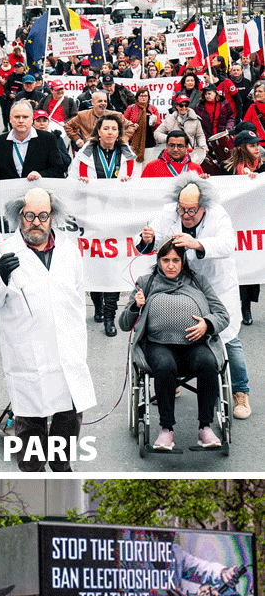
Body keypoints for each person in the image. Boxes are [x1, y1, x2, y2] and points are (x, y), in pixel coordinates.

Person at [0, 188, 96, 472]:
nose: (36, 222)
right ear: (20, 216)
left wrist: (78, 342)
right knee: (30, 425)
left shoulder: (69, 249)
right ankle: (33, 475)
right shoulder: (2, 252)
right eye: (29, 215)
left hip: (67, 353)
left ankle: (61, 465)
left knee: (68, 417)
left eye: (43, 215)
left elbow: (78, 298)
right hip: (28, 357)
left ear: (53, 217)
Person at [138, 174, 252, 420]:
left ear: (204, 206)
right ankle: (172, 378)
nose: (185, 215)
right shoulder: (170, 211)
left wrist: (197, 243)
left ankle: (240, 392)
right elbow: (153, 243)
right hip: (181, 286)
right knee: (175, 330)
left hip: (215, 283)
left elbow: (228, 244)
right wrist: (145, 239)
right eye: (182, 209)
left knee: (227, 337)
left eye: (191, 210)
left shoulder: (218, 214)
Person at [120, 239, 230, 450]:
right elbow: (124, 324)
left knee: (208, 362)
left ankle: (205, 427)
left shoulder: (198, 281)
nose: (170, 265)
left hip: (194, 345)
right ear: (158, 260)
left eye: (175, 260)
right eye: (165, 260)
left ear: (183, 262)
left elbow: (222, 315)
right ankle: (166, 429)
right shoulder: (146, 283)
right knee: (163, 366)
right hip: (158, 345)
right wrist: (135, 305)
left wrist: (207, 324)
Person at [75, 114, 136, 336]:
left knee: (112, 266)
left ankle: (109, 317)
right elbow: (72, 182)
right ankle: (98, 305)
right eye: (106, 128)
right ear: (98, 131)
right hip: (91, 219)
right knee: (93, 263)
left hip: (118, 219)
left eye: (114, 128)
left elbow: (138, 189)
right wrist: (80, 185)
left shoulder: (129, 156)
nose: (110, 132)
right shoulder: (83, 156)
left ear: (118, 133)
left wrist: (130, 185)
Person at [222, 130, 263, 327]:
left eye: (257, 144)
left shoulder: (263, 168)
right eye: (252, 145)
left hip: (255, 225)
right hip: (234, 224)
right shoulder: (226, 169)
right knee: (234, 265)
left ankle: (246, 305)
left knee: (252, 264)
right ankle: (232, 305)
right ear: (241, 148)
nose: (257, 148)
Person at [0, 100, 67, 181]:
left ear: (31, 119)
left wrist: (40, 175)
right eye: (17, 117)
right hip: (9, 192)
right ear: (10, 119)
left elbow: (58, 170)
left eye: (25, 117)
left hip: (38, 191)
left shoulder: (48, 139)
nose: (21, 121)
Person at [64, 90, 135, 151]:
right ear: (92, 102)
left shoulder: (116, 115)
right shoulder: (82, 115)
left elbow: (131, 126)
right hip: (90, 150)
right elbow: (67, 126)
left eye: (105, 101)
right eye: (100, 101)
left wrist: (124, 138)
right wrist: (77, 139)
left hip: (112, 149)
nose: (103, 103)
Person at [155, 94, 207, 160]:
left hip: (191, 154)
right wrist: (169, 139)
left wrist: (203, 146)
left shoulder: (195, 119)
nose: (184, 108)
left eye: (186, 105)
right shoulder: (169, 119)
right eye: (181, 105)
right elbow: (157, 133)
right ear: (176, 106)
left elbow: (200, 135)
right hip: (174, 154)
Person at [141, 130, 206, 177]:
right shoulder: (151, 167)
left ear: (186, 147)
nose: (175, 149)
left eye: (180, 146)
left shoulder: (196, 168)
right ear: (166, 145)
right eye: (171, 145)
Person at [124, 87, 162, 164]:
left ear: (148, 97)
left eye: (145, 96)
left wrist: (154, 122)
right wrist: (132, 126)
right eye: (141, 96)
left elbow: (159, 123)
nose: (143, 98)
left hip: (149, 141)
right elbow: (124, 123)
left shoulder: (152, 108)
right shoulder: (130, 108)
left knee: (147, 165)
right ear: (137, 97)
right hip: (134, 141)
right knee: (135, 165)